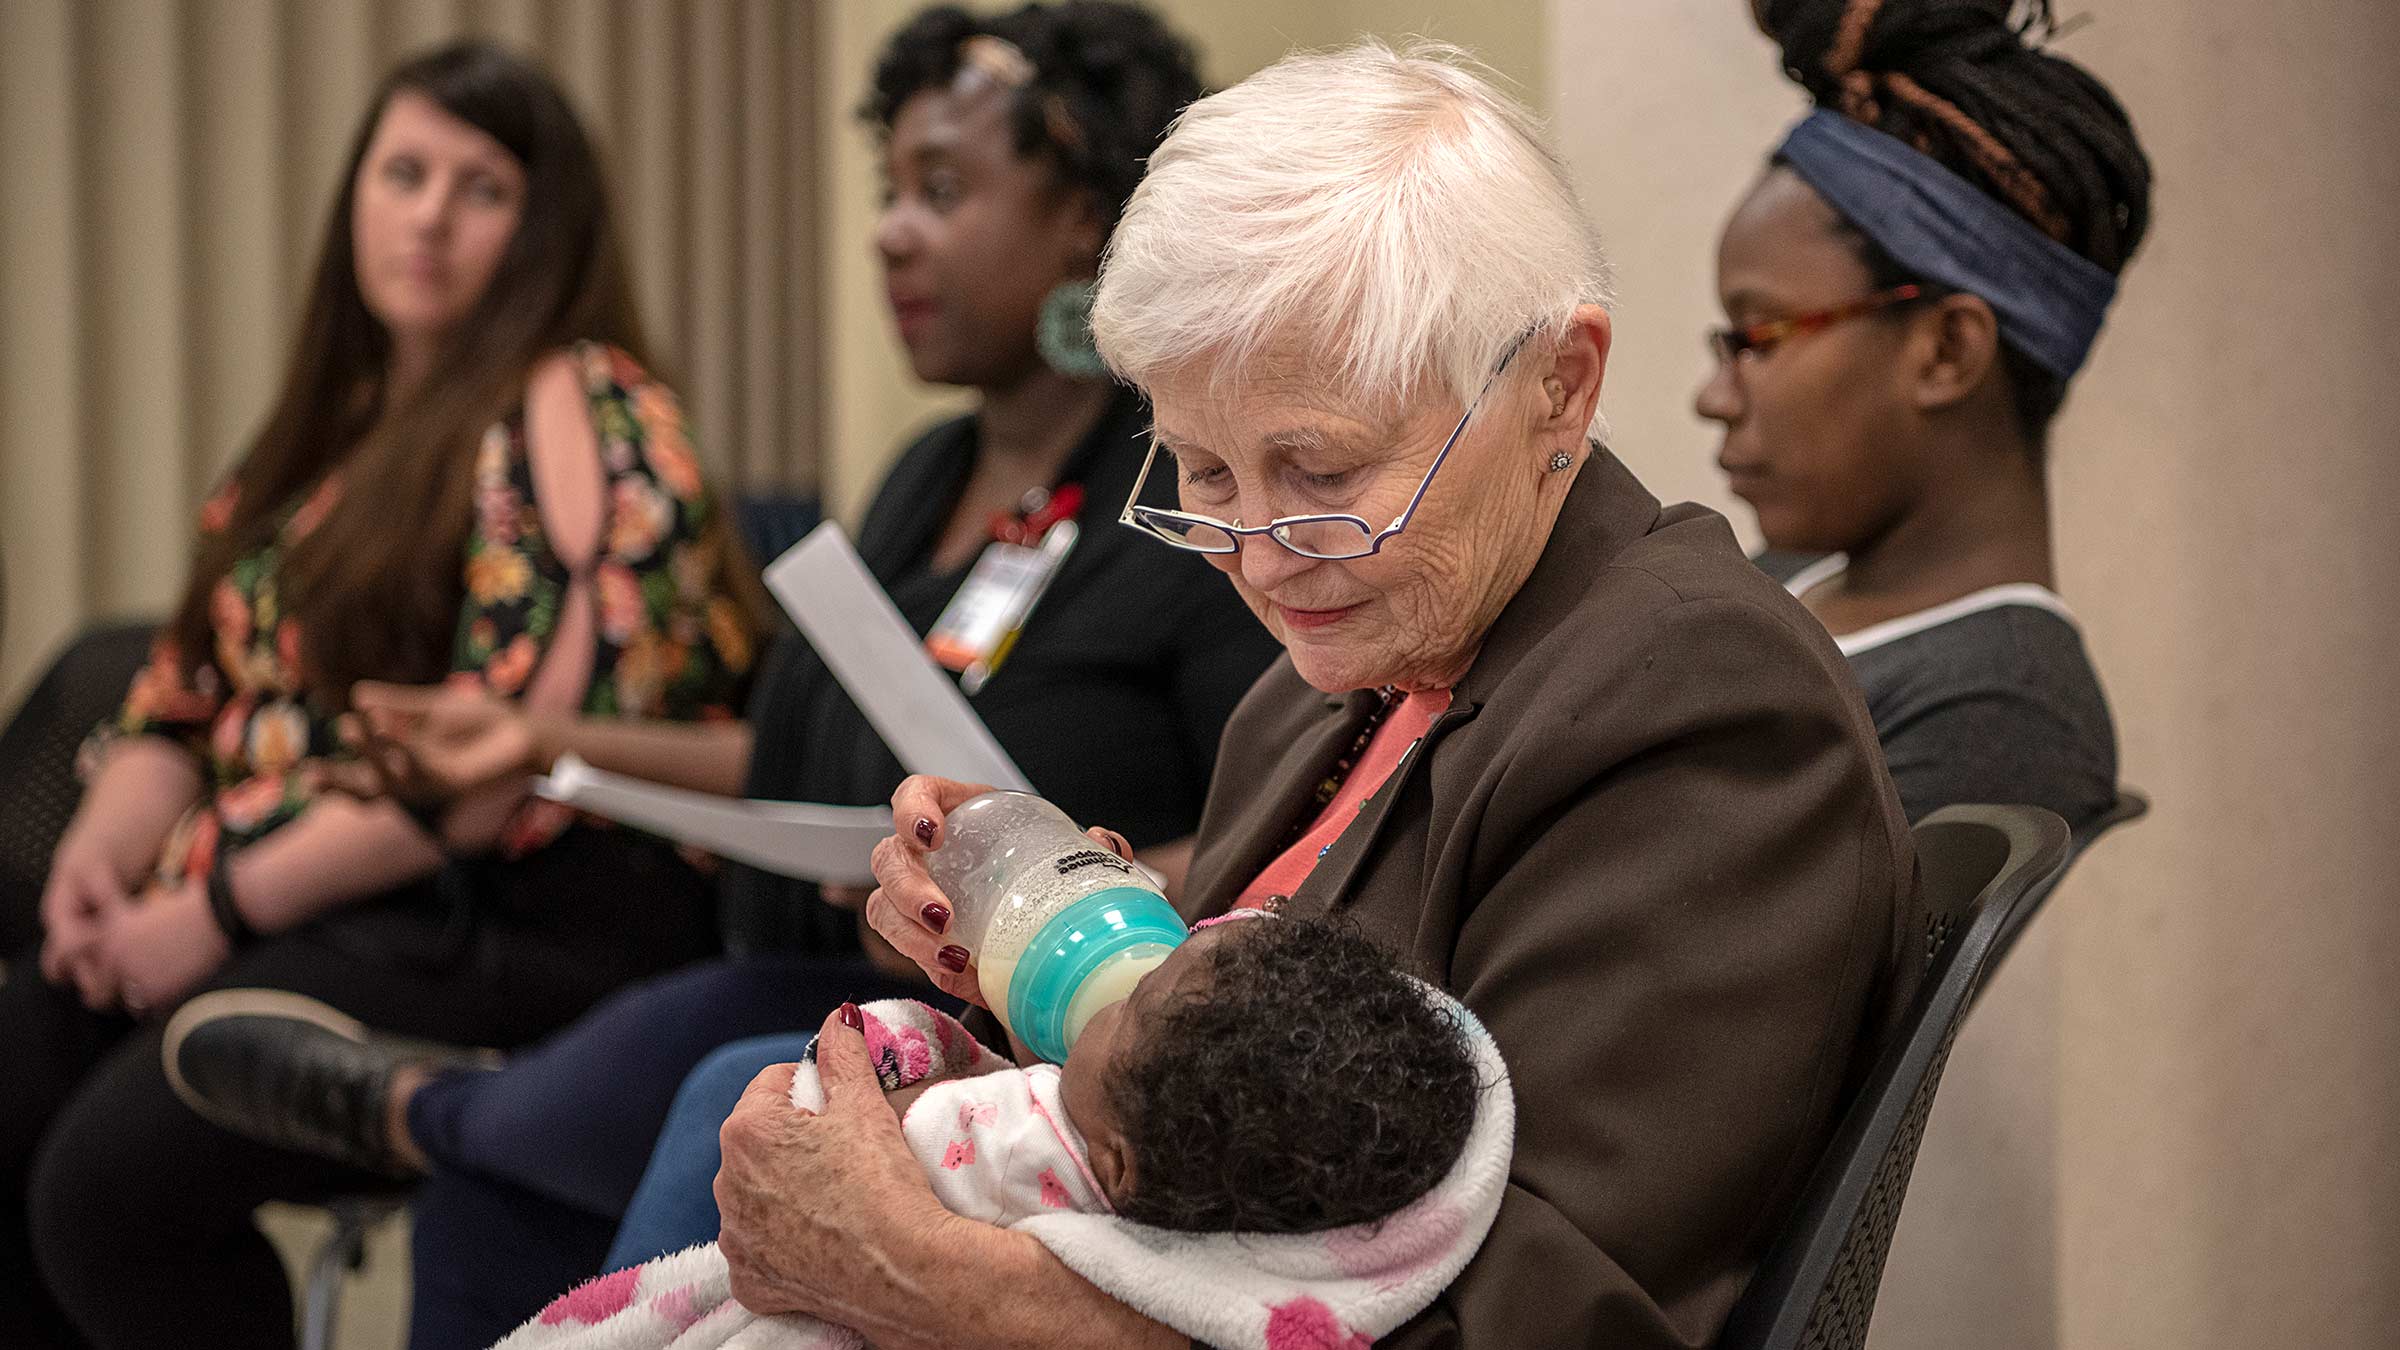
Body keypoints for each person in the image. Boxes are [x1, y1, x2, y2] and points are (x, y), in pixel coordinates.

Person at [702, 40, 1925, 1350]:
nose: (1265, 559)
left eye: (1324, 471)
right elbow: (1252, 1149)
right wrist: (1044, 954)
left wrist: (911, 1270)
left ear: (1558, 383)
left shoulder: (1700, 708)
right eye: (1207, 477)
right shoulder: (1333, 684)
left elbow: (1531, 1317)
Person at [164, 5, 1277, 1345]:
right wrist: (536, 741)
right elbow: (785, 757)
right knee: (485, 1198)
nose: (889, 231)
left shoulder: (1180, 499)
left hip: (999, 1014)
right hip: (806, 960)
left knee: (692, 1077)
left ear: (1088, 219)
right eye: (886, 191)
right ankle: (443, 1119)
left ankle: (416, 1105)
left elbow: (1276, 833)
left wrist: (1028, 909)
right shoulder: (925, 478)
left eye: (941, 190)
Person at [0, 41, 764, 1350]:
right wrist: (100, 853)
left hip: (518, 915)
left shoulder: (578, 401)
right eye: (403, 173)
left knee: (109, 1189)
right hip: (331, 901)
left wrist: (211, 908)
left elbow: (481, 781)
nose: (428, 214)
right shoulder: (323, 422)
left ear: (544, 229)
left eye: (481, 188)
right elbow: (183, 691)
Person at [494, 913, 1501, 1350]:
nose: (1131, 980)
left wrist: (884, 1052)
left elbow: (861, 1125)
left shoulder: (1039, 1154)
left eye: (1131, 1003)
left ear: (1112, 1162)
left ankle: (423, 1114)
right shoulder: (1289, 1135)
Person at [1699, 0, 2150, 831]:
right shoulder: (1785, 579)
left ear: (1945, 350)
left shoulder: (1998, 719)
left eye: (1758, 337)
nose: (1714, 397)